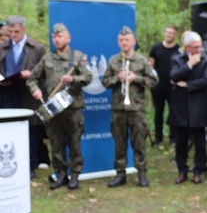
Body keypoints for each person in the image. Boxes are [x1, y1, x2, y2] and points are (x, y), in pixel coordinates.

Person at [27, 23, 92, 190]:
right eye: (54, 37)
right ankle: (60, 173)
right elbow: (32, 78)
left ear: (68, 38)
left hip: (73, 108)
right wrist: (35, 91)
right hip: (53, 109)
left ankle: (75, 175)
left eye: (60, 36)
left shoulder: (77, 57)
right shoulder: (47, 59)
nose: (56, 39)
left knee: (74, 142)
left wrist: (73, 80)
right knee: (56, 143)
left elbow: (88, 77)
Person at [102, 26, 157, 188]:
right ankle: (120, 174)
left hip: (136, 109)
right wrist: (116, 78)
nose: (124, 43)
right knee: (119, 144)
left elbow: (154, 81)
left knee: (139, 142)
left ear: (133, 42)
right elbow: (105, 82)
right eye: (121, 40)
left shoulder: (141, 61)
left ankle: (141, 174)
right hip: (118, 109)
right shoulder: (113, 61)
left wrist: (136, 78)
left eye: (127, 40)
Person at [0, 15, 46, 178]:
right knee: (8, 127)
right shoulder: (2, 47)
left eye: (16, 31)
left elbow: (45, 73)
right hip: (7, 93)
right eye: (10, 31)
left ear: (24, 29)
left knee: (29, 129)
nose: (13, 35)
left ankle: (31, 166)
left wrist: (32, 74)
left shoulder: (37, 48)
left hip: (28, 93)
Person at [169, 31, 207, 184]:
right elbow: (173, 76)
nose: (199, 50)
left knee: (200, 141)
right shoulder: (177, 59)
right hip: (180, 106)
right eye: (195, 47)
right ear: (187, 47)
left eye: (200, 46)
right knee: (180, 141)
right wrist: (189, 65)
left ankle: (198, 170)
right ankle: (182, 170)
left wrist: (187, 85)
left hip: (199, 105)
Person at [148, 24, 180, 146]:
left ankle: (173, 137)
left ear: (175, 35)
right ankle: (158, 138)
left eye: (171, 33)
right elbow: (150, 66)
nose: (168, 34)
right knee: (158, 112)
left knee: (173, 112)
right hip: (157, 86)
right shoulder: (156, 48)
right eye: (167, 32)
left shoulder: (178, 50)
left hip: (173, 86)